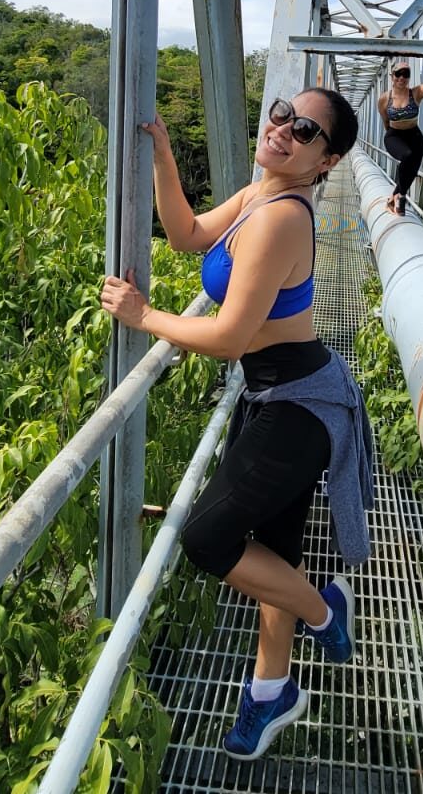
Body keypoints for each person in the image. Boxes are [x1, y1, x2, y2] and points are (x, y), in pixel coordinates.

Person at [101, 88, 374, 762]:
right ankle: (271, 691)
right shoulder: (259, 193)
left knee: (208, 537)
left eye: (304, 130)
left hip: (301, 403)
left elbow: (227, 337)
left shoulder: (284, 217)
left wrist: (144, 317)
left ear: (325, 160)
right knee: (273, 558)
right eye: (283, 113)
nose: (282, 130)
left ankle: (324, 610)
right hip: (274, 392)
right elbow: (188, 235)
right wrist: (165, 155)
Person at [377, 58, 423, 216]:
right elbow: (385, 120)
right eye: (398, 74)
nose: (402, 78)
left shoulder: (416, 93)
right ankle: (401, 196)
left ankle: (395, 197)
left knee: (412, 169)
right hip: (394, 134)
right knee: (406, 155)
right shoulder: (384, 99)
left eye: (406, 74)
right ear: (392, 76)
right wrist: (392, 135)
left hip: (414, 135)